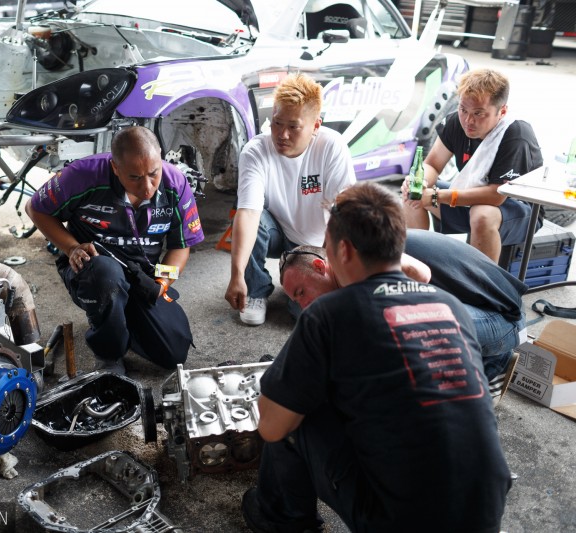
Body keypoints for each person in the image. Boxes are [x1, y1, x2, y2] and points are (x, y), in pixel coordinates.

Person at [244, 182, 511, 532]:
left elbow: (272, 425)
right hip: (486, 510)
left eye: (327, 245)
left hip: (400, 522)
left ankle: (283, 521)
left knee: (295, 412)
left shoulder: (328, 314)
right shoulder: (450, 307)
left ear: (345, 251)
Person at [24, 126, 204, 375]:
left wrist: (161, 282)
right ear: (115, 168)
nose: (148, 187)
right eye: (135, 178)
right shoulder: (81, 175)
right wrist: (72, 247)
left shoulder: (176, 183)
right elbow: (36, 209)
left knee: (173, 353)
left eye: (153, 173)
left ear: (160, 157)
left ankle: (118, 317)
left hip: (141, 274)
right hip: (92, 267)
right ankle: (108, 352)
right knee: (107, 278)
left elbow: (180, 246)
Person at [279, 228, 528, 403]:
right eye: (296, 300)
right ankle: (485, 363)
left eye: (301, 292)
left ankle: (494, 364)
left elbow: (420, 273)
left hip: (503, 318)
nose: (304, 305)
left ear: (320, 267)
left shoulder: (354, 259)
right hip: (471, 307)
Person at [225, 72, 356, 326]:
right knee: (255, 218)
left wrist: (335, 273)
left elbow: (344, 215)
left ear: (315, 126)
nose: (282, 134)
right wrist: (237, 274)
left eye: (293, 126)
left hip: (321, 247)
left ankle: (297, 288)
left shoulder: (333, 147)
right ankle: (255, 289)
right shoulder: (255, 150)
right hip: (279, 233)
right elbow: (249, 214)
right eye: (276, 123)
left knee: (310, 317)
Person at [402, 68, 543, 262]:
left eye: (479, 113)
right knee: (413, 194)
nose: (468, 120)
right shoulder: (456, 122)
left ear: (501, 111)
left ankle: (482, 286)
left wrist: (436, 196)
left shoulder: (515, 134)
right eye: (463, 110)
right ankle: (419, 268)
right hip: (468, 196)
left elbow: (496, 195)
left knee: (482, 214)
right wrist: (418, 182)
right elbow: (433, 164)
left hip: (520, 210)